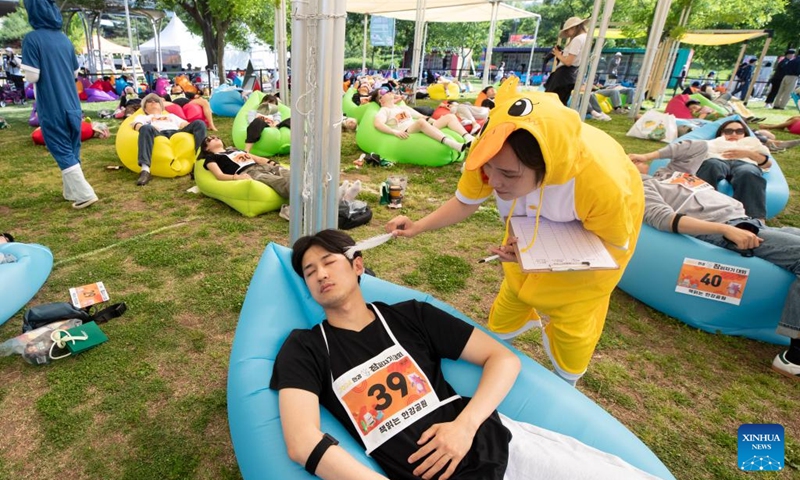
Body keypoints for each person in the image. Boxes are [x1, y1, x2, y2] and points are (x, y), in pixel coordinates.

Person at [270, 229, 659, 480]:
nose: (320, 274)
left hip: (500, 448)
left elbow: (503, 359)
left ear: (358, 266)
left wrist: (465, 427)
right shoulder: (304, 347)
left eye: (329, 261)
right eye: (308, 271)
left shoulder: (410, 316)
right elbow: (302, 441)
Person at [386, 81, 644, 385]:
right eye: (489, 169)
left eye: (508, 174)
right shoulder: (492, 151)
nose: (493, 181)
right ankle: (496, 350)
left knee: (574, 319)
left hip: (590, 257)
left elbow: (609, 246)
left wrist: (539, 255)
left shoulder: (602, 182)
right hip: (532, 241)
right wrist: (418, 226)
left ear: (547, 168)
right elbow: (464, 201)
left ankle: (566, 382)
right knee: (515, 290)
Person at [639, 171, 800, 381]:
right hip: (729, 229)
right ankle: (794, 357)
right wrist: (724, 229)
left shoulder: (667, 175)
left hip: (749, 222)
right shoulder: (639, 186)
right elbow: (663, 219)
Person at [20, 0, 98, 210]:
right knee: (72, 146)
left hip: (51, 103)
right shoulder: (64, 40)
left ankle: (84, 193)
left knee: (60, 147)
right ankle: (71, 191)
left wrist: (23, 67)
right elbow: (74, 73)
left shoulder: (32, 39)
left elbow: (32, 75)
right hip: (72, 102)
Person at [630, 119, 771, 221]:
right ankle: (703, 210)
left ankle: (755, 218)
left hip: (744, 162)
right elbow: (690, 150)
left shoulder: (752, 143)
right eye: (729, 131)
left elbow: (766, 163)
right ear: (721, 133)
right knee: (711, 166)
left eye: (739, 131)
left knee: (748, 173)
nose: (734, 133)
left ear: (744, 133)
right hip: (717, 160)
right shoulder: (713, 143)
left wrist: (747, 154)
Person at [129, 93, 207, 186]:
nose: (153, 102)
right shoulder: (143, 117)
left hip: (176, 132)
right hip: (157, 133)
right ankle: (145, 170)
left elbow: (184, 124)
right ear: (145, 108)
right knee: (145, 128)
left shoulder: (171, 116)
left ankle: (198, 163)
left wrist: (191, 126)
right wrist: (146, 127)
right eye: (149, 101)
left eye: (156, 101)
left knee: (199, 123)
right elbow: (136, 125)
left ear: (161, 107)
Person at [371, 88, 474, 152]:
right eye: (384, 91)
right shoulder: (384, 110)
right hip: (408, 130)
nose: (388, 91)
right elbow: (377, 124)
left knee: (450, 116)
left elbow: (422, 116)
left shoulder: (401, 107)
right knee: (420, 122)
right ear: (381, 100)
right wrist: (394, 131)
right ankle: (451, 143)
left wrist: (437, 122)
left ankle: (468, 137)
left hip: (421, 126)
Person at [200, 135, 289, 197]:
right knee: (280, 182)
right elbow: (219, 175)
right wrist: (238, 177)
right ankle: (295, 208)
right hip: (250, 172)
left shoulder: (236, 150)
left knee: (292, 176)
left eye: (217, 137)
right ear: (206, 148)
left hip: (264, 166)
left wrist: (274, 164)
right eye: (210, 139)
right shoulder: (211, 157)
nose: (215, 138)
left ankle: (298, 202)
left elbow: (258, 159)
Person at [544, 17, 589, 105]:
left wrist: (558, 54)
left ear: (573, 28)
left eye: (567, 31)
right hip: (571, 75)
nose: (567, 33)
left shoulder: (577, 40)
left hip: (563, 75)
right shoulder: (586, 38)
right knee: (561, 100)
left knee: (551, 99)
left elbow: (568, 62)